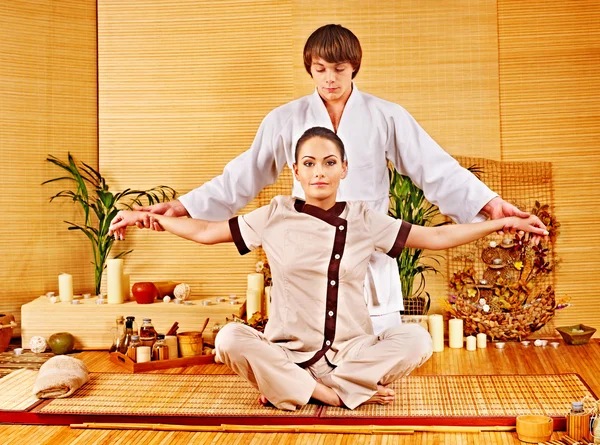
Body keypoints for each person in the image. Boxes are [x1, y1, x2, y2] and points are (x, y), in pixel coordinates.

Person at [126, 24, 544, 334]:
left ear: (354, 68)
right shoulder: (284, 119)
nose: (329, 79)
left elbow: (433, 166)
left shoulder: (386, 115)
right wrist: (180, 208)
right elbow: (242, 175)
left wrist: (490, 206)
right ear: (309, 68)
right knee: (303, 334)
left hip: (368, 235)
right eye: (320, 68)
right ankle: (312, 382)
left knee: (380, 339)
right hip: (304, 243)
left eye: (339, 68)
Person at [109, 127, 548, 411]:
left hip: (350, 356)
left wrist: (500, 220)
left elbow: (433, 237)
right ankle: (328, 394)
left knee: (416, 339)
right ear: (296, 171)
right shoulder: (274, 214)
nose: (319, 172)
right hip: (289, 353)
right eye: (309, 163)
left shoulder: (364, 218)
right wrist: (152, 219)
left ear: (344, 169)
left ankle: (293, 390)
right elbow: (206, 231)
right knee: (229, 338)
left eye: (329, 163)